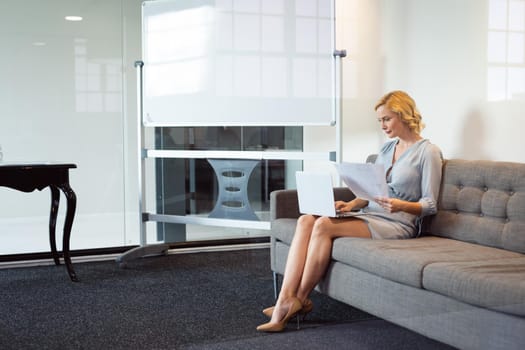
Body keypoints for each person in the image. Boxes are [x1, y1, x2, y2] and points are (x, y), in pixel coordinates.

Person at [256, 90, 443, 332]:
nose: (383, 125)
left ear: (403, 115)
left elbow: (430, 204)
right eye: (380, 121)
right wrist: (352, 204)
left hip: (398, 222)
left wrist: (401, 205)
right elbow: (371, 191)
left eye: (387, 119)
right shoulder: (387, 150)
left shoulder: (428, 152)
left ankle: (296, 300)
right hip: (371, 215)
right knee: (305, 220)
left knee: (323, 224)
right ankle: (285, 298)